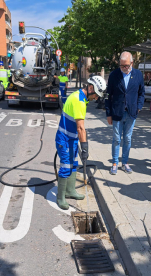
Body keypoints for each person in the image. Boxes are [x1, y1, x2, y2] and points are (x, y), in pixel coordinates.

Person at [55, 75, 107, 210]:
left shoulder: (81, 97)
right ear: (90, 88)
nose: (96, 98)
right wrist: (85, 148)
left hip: (71, 138)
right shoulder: (79, 101)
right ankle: (60, 197)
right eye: (96, 95)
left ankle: (70, 191)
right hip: (65, 139)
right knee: (66, 167)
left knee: (73, 165)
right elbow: (81, 128)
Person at [105, 51, 145, 175]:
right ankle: (115, 163)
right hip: (117, 112)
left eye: (126, 66)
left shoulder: (138, 74)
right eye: (122, 66)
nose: (124, 68)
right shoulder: (114, 75)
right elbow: (108, 95)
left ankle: (125, 162)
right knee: (116, 139)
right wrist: (108, 114)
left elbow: (141, 93)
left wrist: (138, 107)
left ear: (132, 63)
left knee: (127, 139)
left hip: (131, 113)